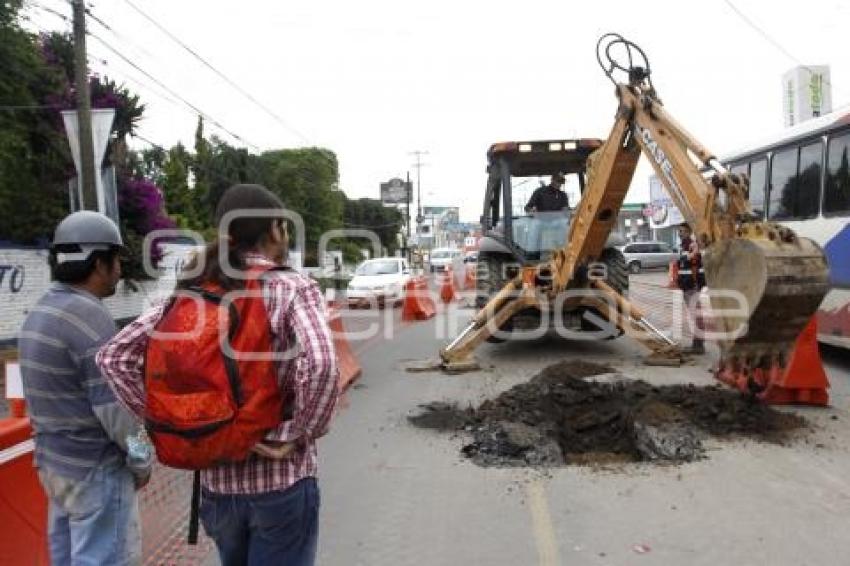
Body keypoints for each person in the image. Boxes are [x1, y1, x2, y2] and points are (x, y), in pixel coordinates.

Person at [97, 184, 339, 566]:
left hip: (216, 489)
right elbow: (323, 363)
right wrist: (295, 433)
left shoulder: (190, 289)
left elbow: (114, 357)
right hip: (280, 483)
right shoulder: (289, 286)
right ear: (275, 230)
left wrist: (173, 419)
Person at [18, 211, 151, 565]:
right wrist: (141, 460)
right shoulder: (91, 318)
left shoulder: (40, 311)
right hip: (96, 471)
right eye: (116, 261)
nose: (120, 271)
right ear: (98, 262)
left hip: (55, 467)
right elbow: (117, 411)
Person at [676, 223, 706, 354]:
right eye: (679, 231)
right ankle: (697, 344)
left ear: (689, 232)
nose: (679, 233)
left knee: (696, 315)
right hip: (687, 285)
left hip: (692, 286)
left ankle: (698, 346)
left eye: (682, 231)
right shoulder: (684, 245)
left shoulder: (692, 245)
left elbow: (692, 260)